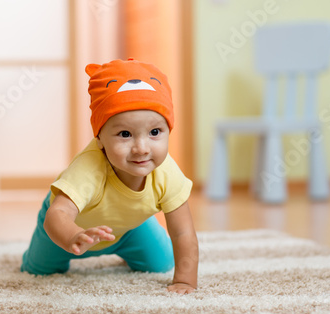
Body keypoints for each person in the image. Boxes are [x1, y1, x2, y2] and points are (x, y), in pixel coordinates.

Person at [21, 58, 199, 294]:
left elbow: (183, 231)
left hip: (129, 228)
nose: (142, 148)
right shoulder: (88, 168)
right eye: (125, 134)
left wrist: (185, 281)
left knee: (162, 263)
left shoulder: (166, 172)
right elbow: (59, 214)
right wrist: (73, 235)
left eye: (155, 132)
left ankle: (132, 237)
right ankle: (58, 246)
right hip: (67, 228)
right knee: (37, 271)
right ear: (100, 139)